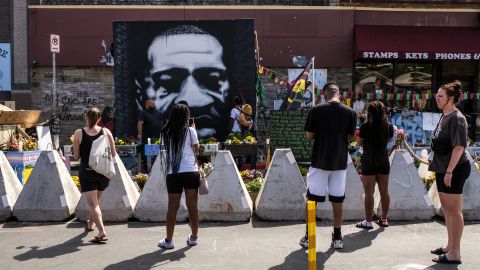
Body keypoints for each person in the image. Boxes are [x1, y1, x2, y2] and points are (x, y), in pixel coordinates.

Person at [136, 24, 230, 138]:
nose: (192, 103)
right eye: (169, 82)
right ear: (141, 92)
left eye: (212, 80)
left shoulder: (157, 115)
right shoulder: (148, 114)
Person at [300, 82, 356, 249]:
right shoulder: (350, 112)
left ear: (324, 94)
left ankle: (309, 237)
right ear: (339, 94)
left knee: (312, 201)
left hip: (320, 161)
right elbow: (351, 137)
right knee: (337, 201)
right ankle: (337, 237)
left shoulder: (316, 110)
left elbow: (309, 136)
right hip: (339, 162)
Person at [429, 81, 470, 265]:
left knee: (454, 211)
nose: (437, 98)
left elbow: (459, 147)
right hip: (442, 168)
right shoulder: (444, 116)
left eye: (441, 96)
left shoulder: (457, 118)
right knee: (447, 209)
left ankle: (455, 253)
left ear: (451, 99)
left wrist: (450, 171)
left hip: (454, 169)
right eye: (437, 95)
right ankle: (450, 246)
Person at [158, 104, 200, 249]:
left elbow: (166, 149)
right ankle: (194, 237)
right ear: (186, 117)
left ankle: (168, 241)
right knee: (192, 205)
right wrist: (193, 129)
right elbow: (197, 150)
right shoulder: (191, 131)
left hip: (173, 172)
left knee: (172, 207)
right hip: (190, 171)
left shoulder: (166, 131)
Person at [73, 107, 117, 243]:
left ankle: (102, 231)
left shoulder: (79, 133)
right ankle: (90, 223)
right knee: (96, 202)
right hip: (103, 173)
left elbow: (76, 157)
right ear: (99, 119)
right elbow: (114, 153)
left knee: (93, 204)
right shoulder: (106, 132)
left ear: (86, 117)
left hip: (87, 172)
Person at [355, 101, 393, 229]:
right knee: (384, 192)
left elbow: (359, 143)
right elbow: (387, 141)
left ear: (369, 113)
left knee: (369, 193)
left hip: (369, 161)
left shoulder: (365, 127)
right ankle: (384, 219)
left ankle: (368, 221)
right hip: (383, 161)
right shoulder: (388, 127)